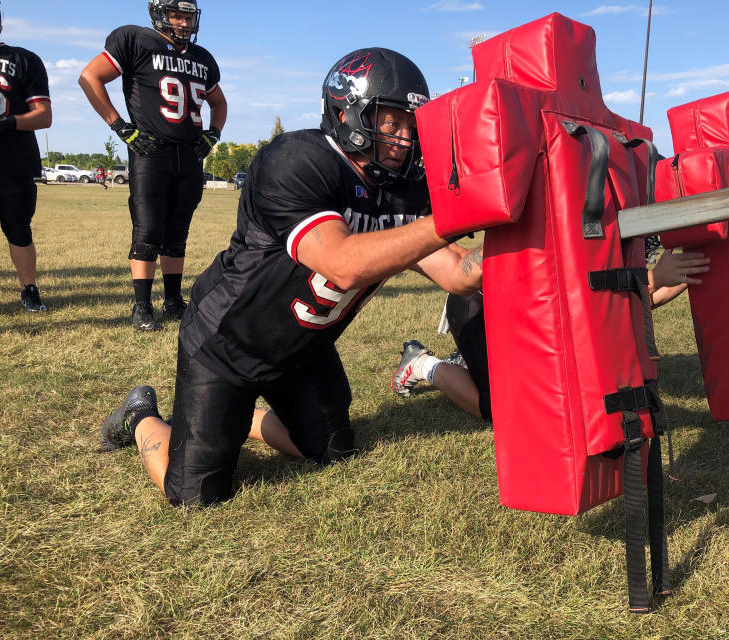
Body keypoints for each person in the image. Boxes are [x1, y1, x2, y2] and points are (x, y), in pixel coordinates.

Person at [98, 48, 482, 507]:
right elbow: (342, 262)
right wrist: (451, 217)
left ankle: (240, 420)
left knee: (334, 452)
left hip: (303, 351)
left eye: (409, 124)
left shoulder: (401, 190)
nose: (404, 138)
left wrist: (513, 232)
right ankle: (140, 415)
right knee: (195, 496)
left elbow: (458, 274)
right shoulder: (298, 159)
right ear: (347, 112)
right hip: (227, 345)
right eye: (391, 122)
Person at [390, 246, 711, 418]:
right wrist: (654, 276)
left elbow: (636, 301)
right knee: (496, 411)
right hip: (481, 304)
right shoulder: (585, 232)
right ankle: (421, 364)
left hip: (526, 315)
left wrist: (688, 273)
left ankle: (474, 360)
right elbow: (587, 291)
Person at [78, 0, 227, 331]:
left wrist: (213, 134)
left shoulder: (202, 58)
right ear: (160, 14)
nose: (184, 22)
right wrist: (120, 127)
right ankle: (141, 306)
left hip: (188, 154)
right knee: (147, 230)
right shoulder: (136, 39)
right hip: (150, 149)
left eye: (189, 15)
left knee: (178, 232)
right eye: (178, 14)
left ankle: (173, 301)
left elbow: (219, 102)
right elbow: (90, 77)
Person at [0, 0, 52, 311]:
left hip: (13, 162)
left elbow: (44, 116)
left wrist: (11, 121)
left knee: (19, 230)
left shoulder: (24, 59)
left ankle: (29, 288)